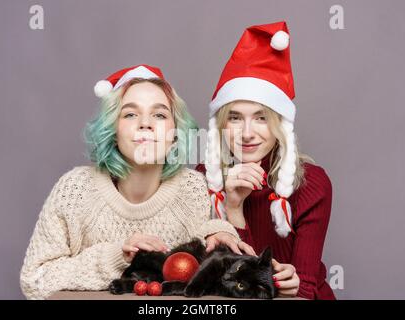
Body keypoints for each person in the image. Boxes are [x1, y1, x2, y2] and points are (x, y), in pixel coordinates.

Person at [20, 64, 253, 300]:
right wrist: (116, 257)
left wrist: (220, 234)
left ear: (175, 134)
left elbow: (207, 243)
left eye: (159, 115)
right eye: (130, 114)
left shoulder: (194, 189)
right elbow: (34, 280)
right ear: (112, 129)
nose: (145, 123)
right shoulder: (75, 189)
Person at [196, 22, 335, 299]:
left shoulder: (312, 184)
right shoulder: (202, 178)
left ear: (280, 124)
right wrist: (233, 206)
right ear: (222, 124)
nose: (247, 133)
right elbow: (220, 284)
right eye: (235, 117)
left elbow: (305, 289)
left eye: (261, 117)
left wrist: (293, 282)